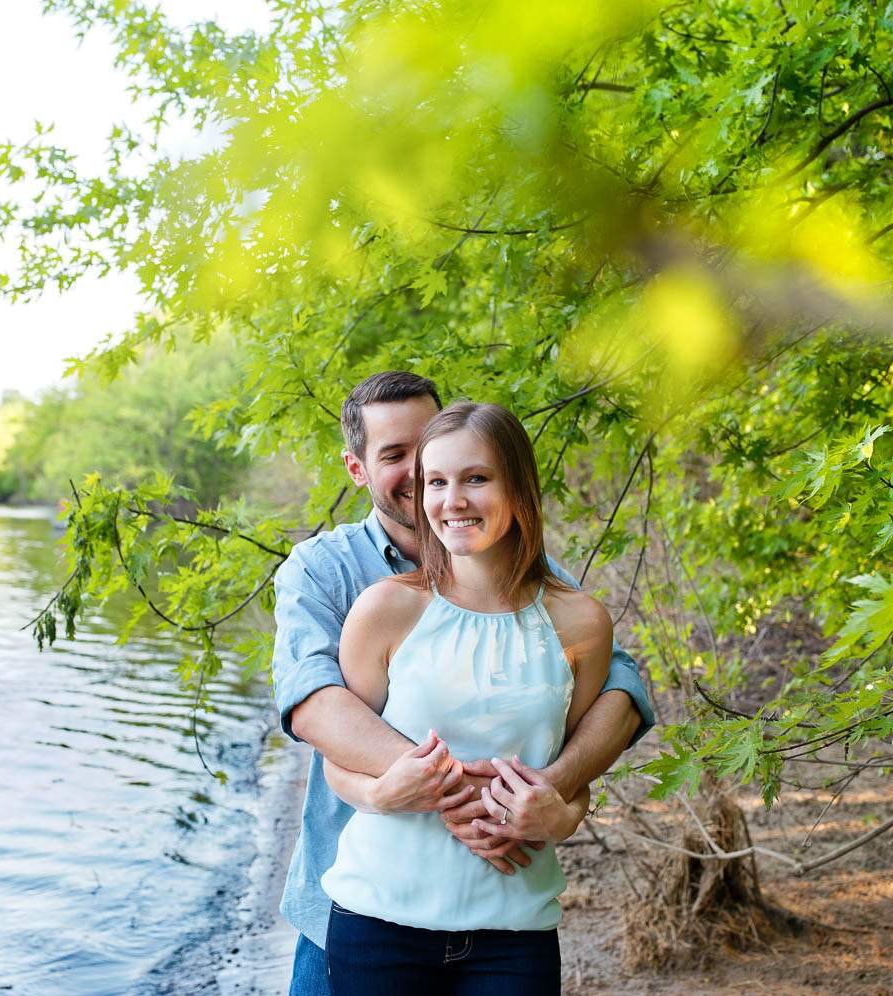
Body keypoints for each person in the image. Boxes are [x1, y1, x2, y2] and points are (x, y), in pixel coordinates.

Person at [272, 373, 654, 995]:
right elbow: (316, 706)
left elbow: (618, 686)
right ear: (357, 468)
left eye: (441, 453)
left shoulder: (525, 569)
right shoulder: (327, 572)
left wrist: (551, 796)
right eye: (397, 456)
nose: (431, 473)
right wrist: (461, 795)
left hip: (508, 914)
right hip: (357, 896)